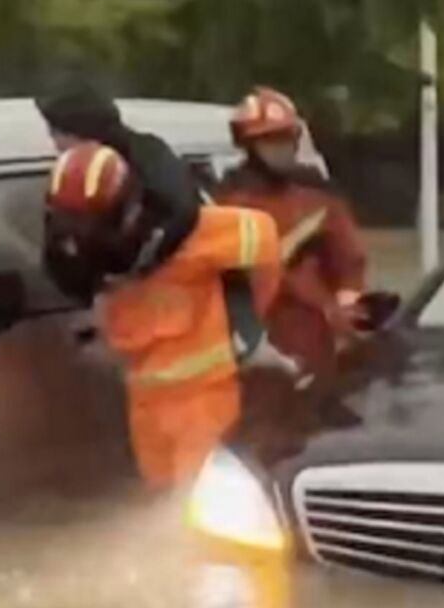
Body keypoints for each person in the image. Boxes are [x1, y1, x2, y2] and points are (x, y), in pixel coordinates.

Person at [44, 142, 286, 488]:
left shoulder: (192, 234)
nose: (82, 235)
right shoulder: (90, 257)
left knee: (202, 506)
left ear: (127, 210)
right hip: (145, 402)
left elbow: (264, 238)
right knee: (160, 498)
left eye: (90, 224)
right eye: (72, 223)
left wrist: (251, 313)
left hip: (204, 401)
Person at [214, 87, 369, 387]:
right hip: (248, 355)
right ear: (248, 144)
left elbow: (351, 265)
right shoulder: (223, 207)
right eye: (271, 140)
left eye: (287, 138)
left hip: (313, 347)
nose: (282, 148)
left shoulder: (319, 199)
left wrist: (348, 309)